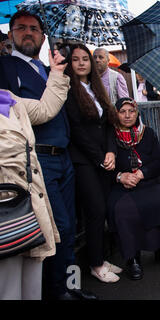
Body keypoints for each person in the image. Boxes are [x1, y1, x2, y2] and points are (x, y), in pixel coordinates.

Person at [0, 10, 96, 300]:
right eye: (21, 28)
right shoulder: (4, 67)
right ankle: (54, 292)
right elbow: (36, 113)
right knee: (56, 229)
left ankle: (70, 286)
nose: (27, 33)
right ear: (10, 34)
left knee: (68, 228)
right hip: (38, 162)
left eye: (33, 29)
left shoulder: (47, 67)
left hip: (64, 158)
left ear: (43, 36)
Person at [0, 49, 69, 300]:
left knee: (31, 278)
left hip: (30, 205)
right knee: (7, 285)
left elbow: (44, 109)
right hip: (3, 212)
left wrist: (58, 73)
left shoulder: (8, 99)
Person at [64, 44, 123, 283]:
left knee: (102, 210)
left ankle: (101, 258)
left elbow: (109, 123)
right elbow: (77, 132)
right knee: (95, 211)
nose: (81, 63)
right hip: (84, 162)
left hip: (103, 160)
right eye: (75, 59)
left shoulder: (97, 89)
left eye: (85, 59)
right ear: (70, 64)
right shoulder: (68, 90)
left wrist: (111, 152)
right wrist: (100, 158)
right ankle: (95, 264)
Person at [107, 97, 160, 280]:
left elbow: (159, 161)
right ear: (116, 114)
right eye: (123, 112)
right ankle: (132, 258)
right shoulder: (110, 136)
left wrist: (141, 173)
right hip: (122, 186)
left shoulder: (147, 133)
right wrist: (121, 176)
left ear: (137, 112)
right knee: (123, 210)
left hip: (147, 182)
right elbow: (104, 167)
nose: (128, 115)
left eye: (131, 111)